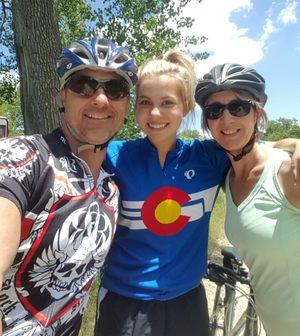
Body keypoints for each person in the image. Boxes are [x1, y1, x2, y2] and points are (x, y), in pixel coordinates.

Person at [0, 36, 137, 336]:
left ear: (127, 105)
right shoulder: (23, 158)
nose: (100, 99)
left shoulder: (111, 190)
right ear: (63, 95)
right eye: (84, 85)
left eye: (115, 89)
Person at [95, 49, 230, 336]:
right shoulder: (114, 155)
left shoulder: (210, 158)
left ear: (186, 108)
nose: (154, 113)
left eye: (167, 103)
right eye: (145, 103)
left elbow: (259, 152)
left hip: (187, 299)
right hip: (125, 301)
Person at [195, 63, 300, 336]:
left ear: (258, 114)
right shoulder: (227, 178)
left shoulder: (289, 172)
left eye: (238, 107)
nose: (226, 119)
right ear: (207, 122)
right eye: (214, 111)